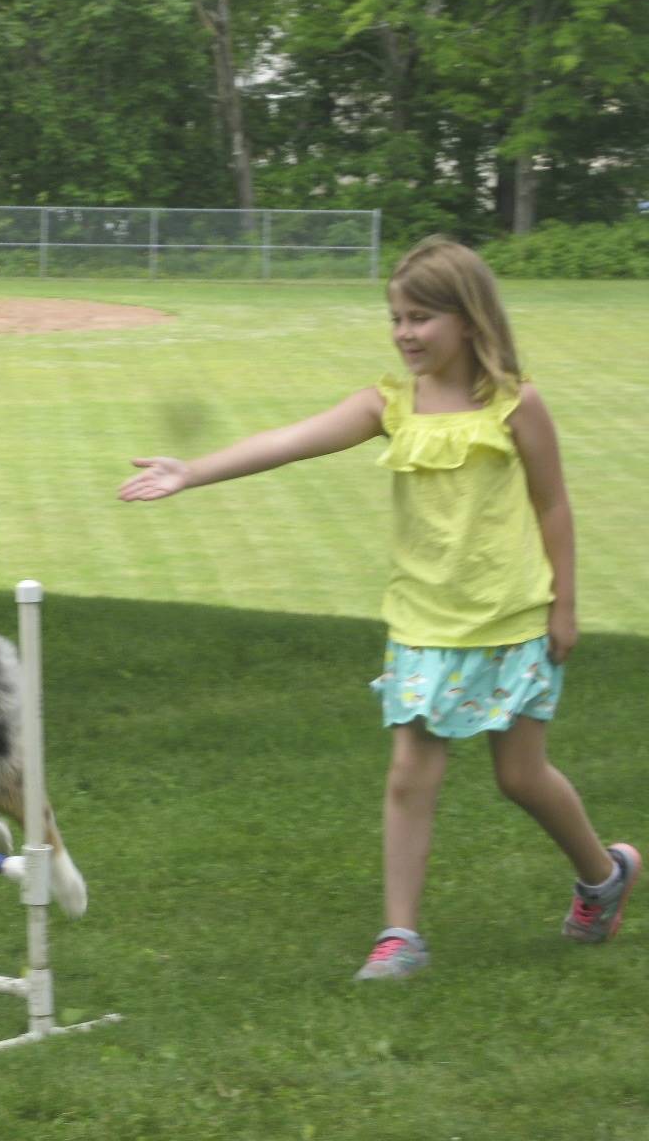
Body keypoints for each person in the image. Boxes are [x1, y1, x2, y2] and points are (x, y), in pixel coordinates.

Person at [118, 235, 637, 980]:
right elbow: (290, 442)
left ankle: (603, 875)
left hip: (512, 621)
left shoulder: (517, 406)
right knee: (408, 774)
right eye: (396, 317)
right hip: (424, 624)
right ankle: (401, 937)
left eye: (421, 317)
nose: (404, 333)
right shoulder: (388, 405)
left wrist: (565, 608)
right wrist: (191, 470)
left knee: (520, 778)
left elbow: (553, 506)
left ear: (469, 319)